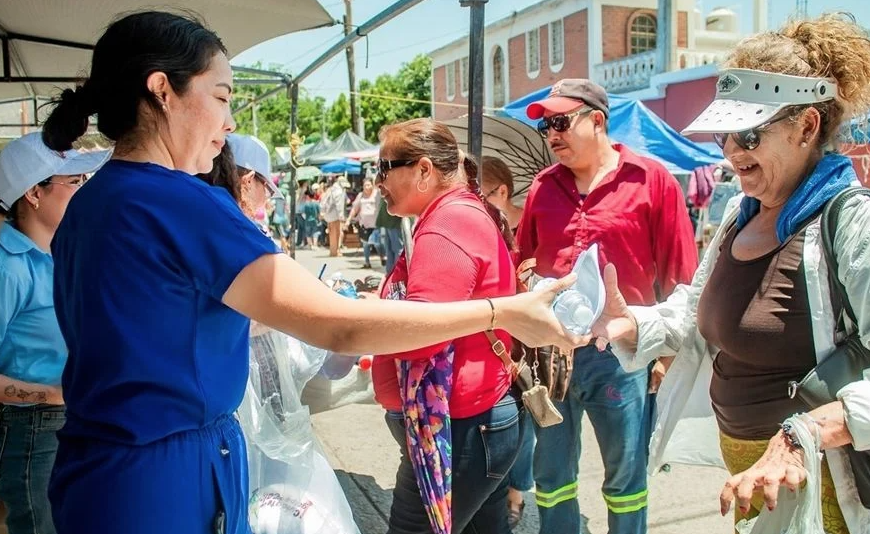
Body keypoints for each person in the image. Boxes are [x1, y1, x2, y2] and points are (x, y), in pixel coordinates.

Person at [38, 11, 581, 534]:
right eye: (222, 97)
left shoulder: (91, 203)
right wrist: (502, 312)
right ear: (162, 89)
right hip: (164, 481)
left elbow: (159, 320)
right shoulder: (181, 204)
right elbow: (338, 326)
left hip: (99, 470)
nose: (228, 122)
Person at [589, 13, 870, 534]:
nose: (732, 152)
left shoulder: (852, 223)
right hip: (751, 476)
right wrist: (633, 324)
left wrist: (801, 433)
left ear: (807, 126)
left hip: (824, 482)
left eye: (749, 134)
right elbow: (699, 313)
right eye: (724, 136)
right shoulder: (741, 214)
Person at [516, 78, 698, 534]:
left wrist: (667, 357)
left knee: (626, 476)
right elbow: (525, 259)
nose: (551, 134)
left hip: (621, 355)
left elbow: (682, 276)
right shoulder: (542, 187)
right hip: (553, 352)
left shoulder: (651, 180)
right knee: (552, 472)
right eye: (545, 127)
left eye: (560, 122)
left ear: (596, 120)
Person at [374, 118, 520, 534]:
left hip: (462, 431)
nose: (379, 180)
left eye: (385, 167)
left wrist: (356, 322)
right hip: (470, 425)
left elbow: (419, 335)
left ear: (424, 170)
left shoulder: (447, 223)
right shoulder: (451, 215)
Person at [0, 133, 108, 534]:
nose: (85, 191)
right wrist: (53, 394)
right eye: (75, 183)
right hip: (31, 429)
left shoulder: (60, 254)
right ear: (33, 193)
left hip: (70, 417)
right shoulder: (8, 266)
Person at [346, 177, 383, 268]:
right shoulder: (360, 195)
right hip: (364, 225)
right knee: (365, 244)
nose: (366, 187)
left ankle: (382, 257)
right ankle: (367, 262)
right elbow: (355, 208)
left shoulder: (377, 194)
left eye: (368, 185)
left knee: (375, 242)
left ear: (372, 185)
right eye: (365, 185)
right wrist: (348, 220)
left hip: (375, 224)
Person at [481, 156, 524, 232]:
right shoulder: (482, 227)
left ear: (502, 192)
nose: (475, 204)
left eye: (481, 198)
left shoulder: (531, 225)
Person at [321, 174, 346, 257]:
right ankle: (335, 252)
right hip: (335, 215)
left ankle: (332, 251)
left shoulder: (331, 189)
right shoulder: (339, 191)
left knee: (331, 234)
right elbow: (339, 205)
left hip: (328, 214)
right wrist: (341, 216)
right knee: (337, 233)